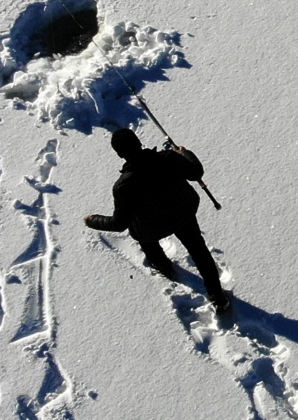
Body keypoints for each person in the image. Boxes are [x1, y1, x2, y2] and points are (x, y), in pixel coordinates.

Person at [84, 128, 233, 320]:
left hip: (150, 229)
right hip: (183, 213)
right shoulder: (169, 158)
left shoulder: (123, 186)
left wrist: (93, 220)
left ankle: (165, 268)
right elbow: (196, 172)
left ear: (120, 154)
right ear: (139, 142)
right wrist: (184, 153)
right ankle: (218, 297)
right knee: (199, 251)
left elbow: (119, 223)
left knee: (145, 240)